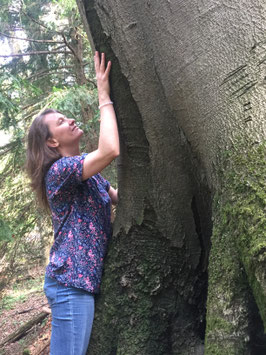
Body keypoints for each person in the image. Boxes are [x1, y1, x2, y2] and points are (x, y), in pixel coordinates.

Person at [26, 52, 119, 355]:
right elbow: (109, 150)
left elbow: (117, 196)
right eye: (62, 122)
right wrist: (103, 95)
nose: (71, 120)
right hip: (70, 285)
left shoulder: (88, 176)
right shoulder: (59, 172)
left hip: (80, 283)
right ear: (52, 142)